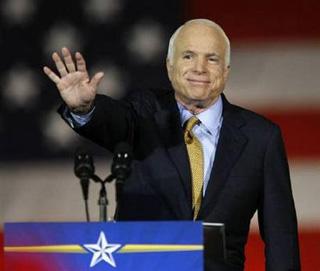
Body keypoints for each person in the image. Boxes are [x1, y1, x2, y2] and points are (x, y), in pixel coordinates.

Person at [44, 19, 301, 271]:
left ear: (226, 70)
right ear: (169, 66)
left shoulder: (261, 138)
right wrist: (84, 108)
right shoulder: (143, 113)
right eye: (188, 56)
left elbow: (281, 237)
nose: (200, 68)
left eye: (212, 59)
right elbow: (113, 121)